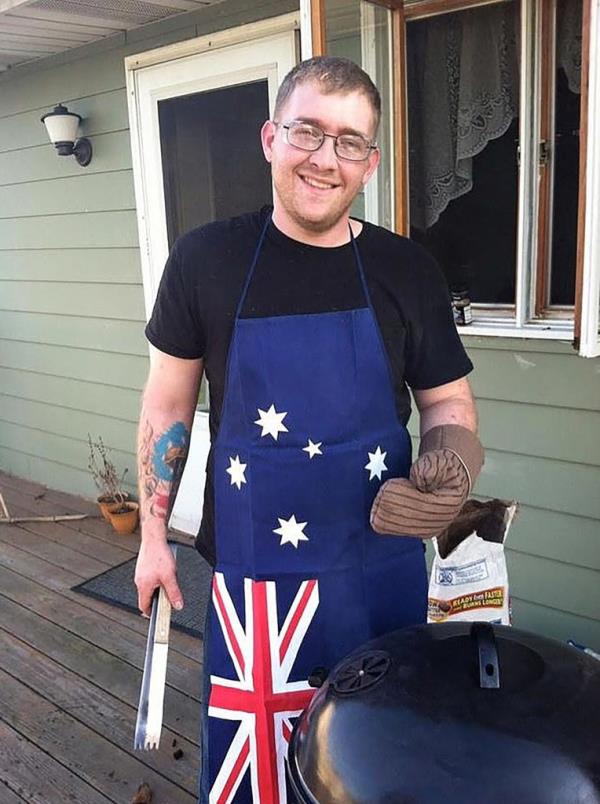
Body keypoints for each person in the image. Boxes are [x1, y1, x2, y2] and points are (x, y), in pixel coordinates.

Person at [135, 56, 483, 803]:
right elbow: (167, 407)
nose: (326, 158)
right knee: (258, 765)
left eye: (350, 141)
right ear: (270, 138)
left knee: (376, 762)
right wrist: (153, 540)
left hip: (380, 571)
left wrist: (451, 469)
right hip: (258, 580)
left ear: (372, 162)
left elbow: (448, 404)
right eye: (308, 132)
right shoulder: (205, 260)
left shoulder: (407, 269)